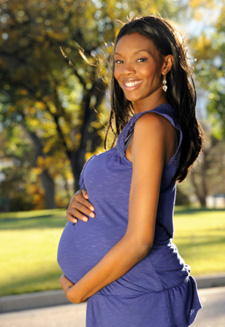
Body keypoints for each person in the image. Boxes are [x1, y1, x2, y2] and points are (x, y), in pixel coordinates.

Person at [58, 15, 203, 327]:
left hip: (138, 294)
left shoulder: (152, 126)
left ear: (166, 64)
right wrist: (82, 203)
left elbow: (140, 240)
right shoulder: (139, 127)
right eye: (119, 60)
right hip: (121, 291)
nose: (126, 71)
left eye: (141, 59)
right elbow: (122, 199)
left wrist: (77, 292)